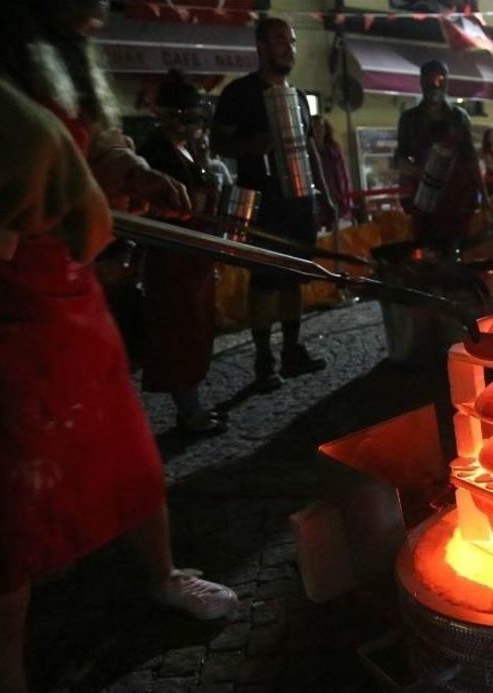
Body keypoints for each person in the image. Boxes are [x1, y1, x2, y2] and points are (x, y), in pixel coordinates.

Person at [0, 4, 237, 693]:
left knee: (127, 450)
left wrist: (130, 172)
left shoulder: (62, 52)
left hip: (70, 287)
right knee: (7, 500)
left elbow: (89, 144)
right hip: (1, 305)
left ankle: (161, 577)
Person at [212, 16, 335, 392]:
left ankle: (293, 350)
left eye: (292, 41)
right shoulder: (239, 94)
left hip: (299, 199)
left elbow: (311, 149)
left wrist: (325, 196)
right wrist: (256, 145)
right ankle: (264, 359)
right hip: (263, 201)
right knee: (264, 281)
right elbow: (219, 144)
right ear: (261, 45)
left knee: (295, 276)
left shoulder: (297, 97)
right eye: (281, 40)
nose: (289, 48)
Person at [138, 70, 225, 436]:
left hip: (195, 251)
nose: (193, 120)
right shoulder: (154, 151)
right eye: (187, 112)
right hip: (170, 252)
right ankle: (189, 410)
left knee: (196, 327)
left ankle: (191, 404)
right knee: (178, 331)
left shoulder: (189, 147)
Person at [394, 59, 490, 256]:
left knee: (457, 250)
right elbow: (401, 158)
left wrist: (483, 194)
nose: (435, 85)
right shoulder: (409, 119)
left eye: (440, 79)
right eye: (430, 79)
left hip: (458, 198)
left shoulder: (459, 117)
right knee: (428, 251)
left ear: (447, 82)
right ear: (421, 82)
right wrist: (418, 173)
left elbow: (471, 157)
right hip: (426, 199)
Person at [311, 115, 354, 227]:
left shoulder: (333, 149)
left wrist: (345, 199)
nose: (318, 130)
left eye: (321, 126)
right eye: (314, 126)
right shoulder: (309, 150)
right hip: (317, 197)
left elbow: (342, 175)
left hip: (334, 195)